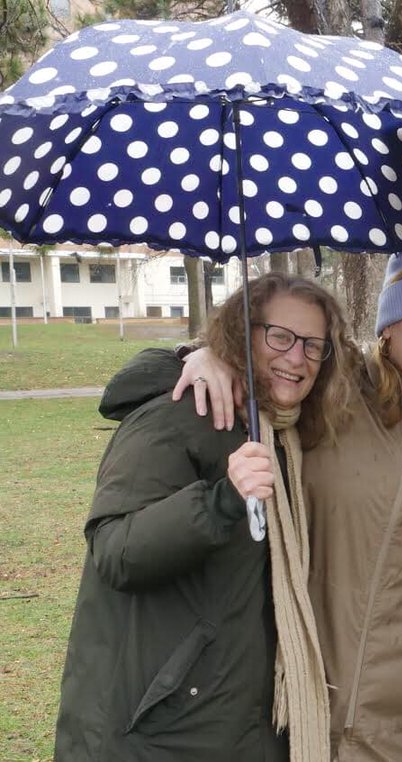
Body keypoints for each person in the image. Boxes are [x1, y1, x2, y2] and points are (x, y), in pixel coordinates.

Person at [127, 239, 402, 760]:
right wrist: (206, 355)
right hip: (299, 698)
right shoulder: (331, 397)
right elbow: (276, 372)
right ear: (389, 324)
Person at [55, 273, 359, 761]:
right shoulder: (175, 413)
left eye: (314, 346)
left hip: (239, 720)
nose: (296, 357)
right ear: (240, 334)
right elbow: (116, 550)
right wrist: (220, 501)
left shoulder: (287, 436)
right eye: (279, 336)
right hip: (159, 725)